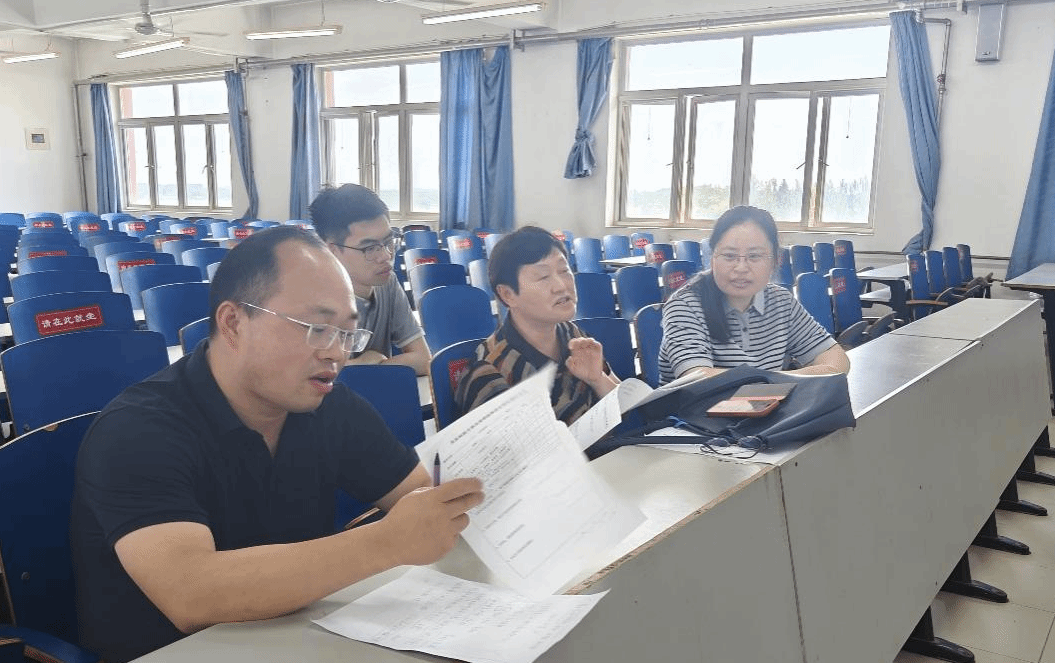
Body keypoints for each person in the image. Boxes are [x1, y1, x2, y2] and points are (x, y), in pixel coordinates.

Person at [70, 226, 484, 663]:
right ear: (233, 323)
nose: (337, 353)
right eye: (317, 328)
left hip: (296, 635)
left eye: (347, 334)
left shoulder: (329, 406)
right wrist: (387, 541)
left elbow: (421, 499)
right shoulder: (138, 430)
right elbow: (193, 593)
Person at [658, 206, 850, 384]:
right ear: (713, 258)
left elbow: (837, 360)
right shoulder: (684, 306)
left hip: (767, 408)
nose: (741, 268)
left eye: (755, 256)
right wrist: (780, 381)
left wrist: (773, 382)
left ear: (774, 261)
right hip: (698, 410)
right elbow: (697, 379)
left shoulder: (781, 302)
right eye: (729, 256)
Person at [455, 226, 619, 425]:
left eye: (564, 271)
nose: (561, 286)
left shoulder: (572, 334)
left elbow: (623, 407)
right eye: (543, 277)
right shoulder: (491, 370)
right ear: (507, 294)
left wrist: (598, 379)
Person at [309, 184, 430, 375]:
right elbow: (312, 375)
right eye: (370, 248)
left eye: (389, 242)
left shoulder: (387, 282)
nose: (386, 256)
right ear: (333, 250)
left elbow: (424, 360)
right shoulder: (309, 298)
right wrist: (366, 364)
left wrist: (371, 366)